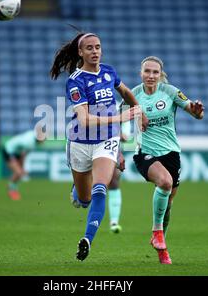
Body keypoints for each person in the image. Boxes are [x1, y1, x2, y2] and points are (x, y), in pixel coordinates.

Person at [50, 32, 148, 261]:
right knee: (83, 200)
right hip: (80, 142)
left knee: (101, 187)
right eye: (90, 48)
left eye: (98, 47)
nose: (95, 51)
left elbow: (125, 92)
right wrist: (121, 118)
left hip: (106, 140)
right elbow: (85, 120)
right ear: (80, 52)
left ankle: (87, 239)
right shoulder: (76, 81)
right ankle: (77, 190)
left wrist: (139, 111)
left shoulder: (109, 72)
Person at [131, 56, 204, 264]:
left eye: (155, 72)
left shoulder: (170, 92)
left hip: (171, 153)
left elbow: (194, 112)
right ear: (141, 73)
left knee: (168, 204)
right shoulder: (133, 95)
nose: (151, 76)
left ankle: (162, 249)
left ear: (160, 74)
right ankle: (157, 233)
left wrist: (198, 111)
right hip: (145, 152)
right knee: (164, 182)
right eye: (147, 71)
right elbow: (117, 123)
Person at [2, 126, 46, 200]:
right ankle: (11, 189)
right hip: (9, 151)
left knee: (19, 173)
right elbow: (23, 155)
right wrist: (21, 167)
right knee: (19, 172)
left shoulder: (33, 138)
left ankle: (13, 188)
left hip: (16, 152)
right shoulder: (29, 142)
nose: (44, 139)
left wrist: (22, 167)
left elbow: (23, 154)